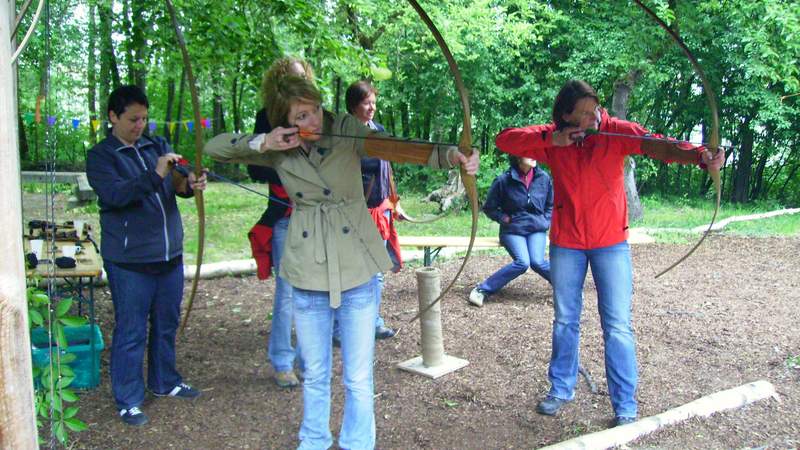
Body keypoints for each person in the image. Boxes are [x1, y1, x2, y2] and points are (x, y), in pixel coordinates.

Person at [204, 75, 479, 450]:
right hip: (307, 263)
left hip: (356, 262)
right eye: (302, 116)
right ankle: (313, 441)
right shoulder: (277, 144)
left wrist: (451, 155)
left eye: (315, 109)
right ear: (285, 120)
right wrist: (264, 141)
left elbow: (393, 146)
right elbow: (215, 147)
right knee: (316, 373)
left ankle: (357, 444)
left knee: (358, 376)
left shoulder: (345, 128)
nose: (314, 120)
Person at [495, 80, 725, 427]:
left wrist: (698, 156)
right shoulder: (555, 139)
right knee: (564, 320)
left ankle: (624, 405)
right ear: (566, 115)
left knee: (617, 326)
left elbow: (657, 146)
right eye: (584, 114)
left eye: (596, 109)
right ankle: (560, 388)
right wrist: (551, 139)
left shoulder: (616, 132)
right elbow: (505, 139)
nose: (594, 117)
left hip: (610, 243)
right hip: (567, 242)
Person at [86, 85, 206, 426]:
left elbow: (177, 185)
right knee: (131, 329)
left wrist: (189, 183)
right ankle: (128, 398)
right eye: (132, 119)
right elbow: (117, 195)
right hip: (130, 261)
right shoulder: (101, 156)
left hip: (168, 255)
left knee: (166, 323)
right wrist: (156, 173)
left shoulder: (156, 145)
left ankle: (164, 381)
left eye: (144, 118)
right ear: (113, 116)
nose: (140, 125)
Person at [247, 56, 315, 389]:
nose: (298, 84)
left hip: (316, 216)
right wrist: (281, 155)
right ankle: (282, 362)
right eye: (291, 79)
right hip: (285, 215)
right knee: (287, 293)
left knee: (315, 291)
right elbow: (253, 167)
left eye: (302, 78)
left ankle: (307, 360)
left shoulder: (315, 118)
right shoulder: (267, 118)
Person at [337, 80, 400, 342]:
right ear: (354, 106)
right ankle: (340, 329)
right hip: (352, 212)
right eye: (366, 103)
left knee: (375, 270)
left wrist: (395, 202)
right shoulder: (343, 135)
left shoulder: (379, 130)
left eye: (374, 102)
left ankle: (373, 323)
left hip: (379, 211)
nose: (372, 107)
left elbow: (387, 169)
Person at [468, 154, 552, 307]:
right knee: (522, 262)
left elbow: (550, 204)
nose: (534, 156)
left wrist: (546, 220)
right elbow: (489, 208)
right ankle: (481, 290)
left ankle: (567, 287)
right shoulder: (503, 181)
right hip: (513, 230)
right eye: (528, 153)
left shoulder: (543, 178)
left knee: (537, 262)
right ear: (518, 158)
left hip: (536, 228)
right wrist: (504, 218)